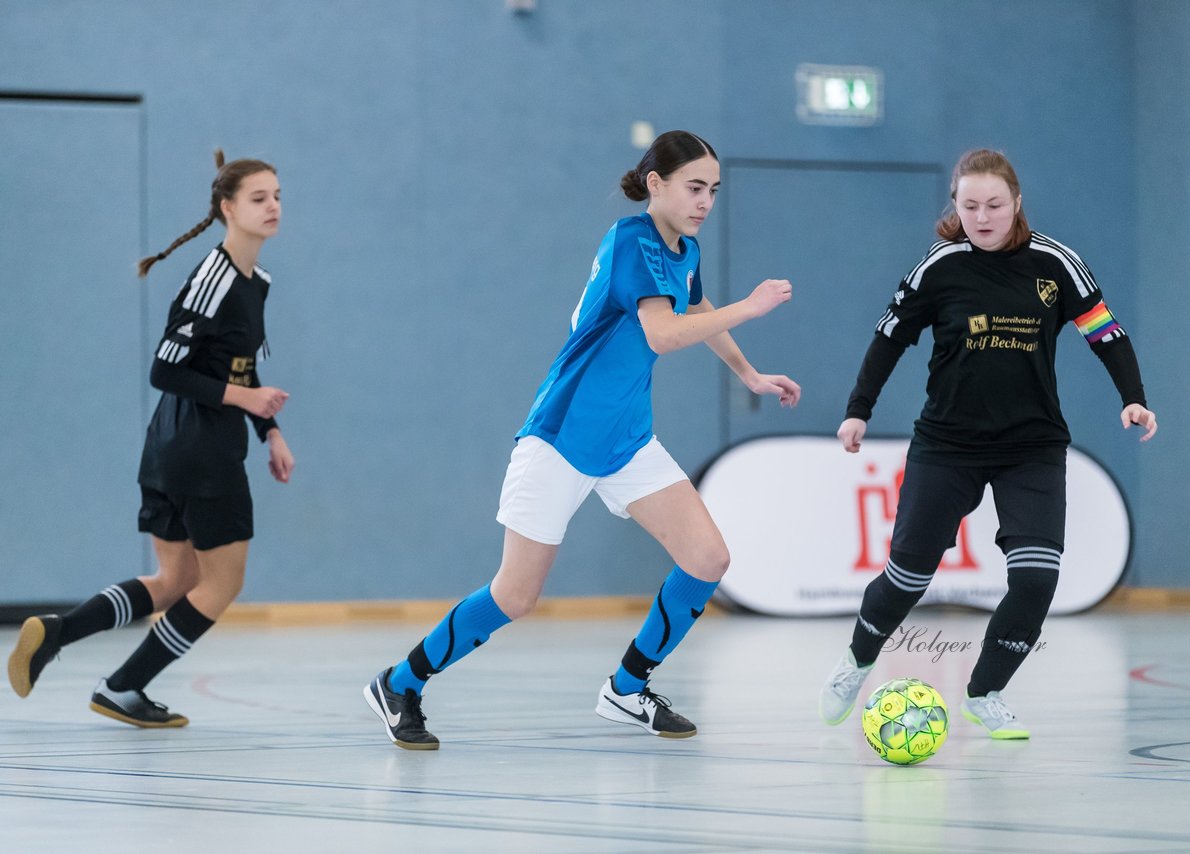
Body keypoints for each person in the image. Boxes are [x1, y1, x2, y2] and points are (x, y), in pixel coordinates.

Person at [363, 130, 801, 749]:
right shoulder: (631, 241)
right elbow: (662, 334)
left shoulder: (685, 250)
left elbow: (695, 313)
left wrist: (750, 373)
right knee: (515, 595)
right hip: (562, 436)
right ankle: (401, 683)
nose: (705, 201)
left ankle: (626, 688)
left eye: (713, 190)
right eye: (693, 187)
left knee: (707, 559)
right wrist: (752, 307)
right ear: (656, 184)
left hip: (626, 440)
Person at [818, 149, 1157, 739]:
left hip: (1032, 446)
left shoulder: (1056, 264)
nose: (981, 215)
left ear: (1017, 202)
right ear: (955, 205)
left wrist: (1133, 395)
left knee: (1035, 577)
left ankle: (986, 691)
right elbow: (889, 338)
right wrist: (858, 411)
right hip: (947, 444)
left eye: (994, 204)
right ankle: (857, 662)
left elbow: (1107, 332)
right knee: (907, 576)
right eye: (968, 205)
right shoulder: (941, 266)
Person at [6, 150, 294, 727]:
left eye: (278, 196)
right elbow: (166, 370)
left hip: (171, 448)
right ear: (227, 208)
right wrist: (245, 404)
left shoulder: (255, 282)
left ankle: (60, 633)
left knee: (175, 581)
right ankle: (123, 684)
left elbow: (242, 370)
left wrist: (271, 430)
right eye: (259, 198)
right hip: (200, 451)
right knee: (222, 583)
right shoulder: (210, 279)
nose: (273, 207)